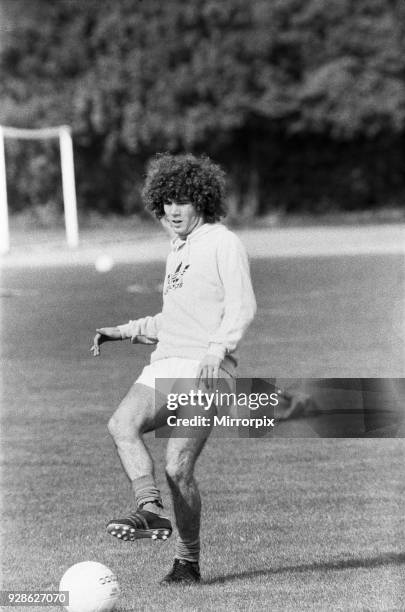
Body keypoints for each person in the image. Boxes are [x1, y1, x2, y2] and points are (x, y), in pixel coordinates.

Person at [90, 153, 256, 584]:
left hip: (207, 371)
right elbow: (175, 317)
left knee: (177, 468)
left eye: (182, 201)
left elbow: (241, 306)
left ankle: (187, 561)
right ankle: (150, 511)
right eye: (166, 203)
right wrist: (123, 331)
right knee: (120, 424)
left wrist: (217, 351)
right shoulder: (177, 251)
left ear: (201, 201)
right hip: (166, 363)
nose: (173, 211)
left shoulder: (223, 243)